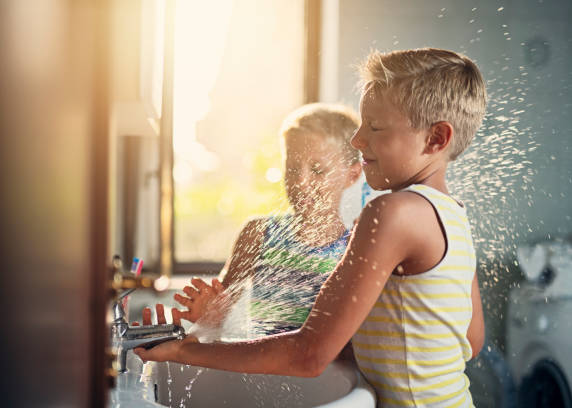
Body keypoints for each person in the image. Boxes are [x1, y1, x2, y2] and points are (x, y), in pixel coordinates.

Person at [135, 48, 486, 408]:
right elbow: (471, 341)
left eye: (375, 127)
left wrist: (185, 350)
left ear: (436, 139)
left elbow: (308, 356)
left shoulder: (391, 213)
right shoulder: (452, 214)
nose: (357, 139)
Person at [171, 103, 363, 339]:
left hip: (322, 374)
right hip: (261, 371)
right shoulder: (259, 234)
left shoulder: (354, 249)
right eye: (292, 168)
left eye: (317, 170)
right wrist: (208, 314)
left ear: (352, 175)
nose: (301, 182)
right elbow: (218, 309)